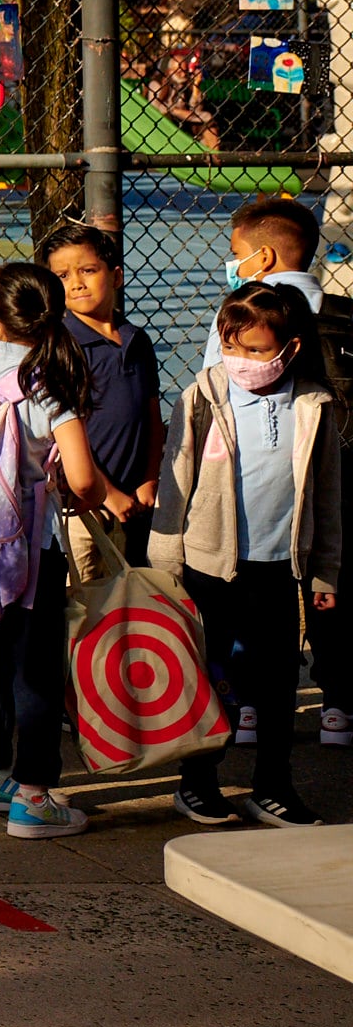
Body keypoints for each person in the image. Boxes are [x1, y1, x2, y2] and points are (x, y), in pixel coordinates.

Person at [0, 260, 123, 838]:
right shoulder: (48, 382)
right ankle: (33, 794)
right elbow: (80, 477)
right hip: (32, 542)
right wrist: (101, 497)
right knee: (35, 667)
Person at [166, 280, 339, 830]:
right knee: (209, 675)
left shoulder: (315, 405)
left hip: (279, 569)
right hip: (208, 566)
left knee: (278, 682)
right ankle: (196, 784)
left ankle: (273, 786)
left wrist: (325, 572)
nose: (242, 360)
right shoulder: (202, 396)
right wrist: (167, 565)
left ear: (288, 348)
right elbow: (175, 485)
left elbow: (329, 497)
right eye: (231, 344)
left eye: (256, 349)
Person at [226, 195, 347, 746]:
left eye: (237, 253)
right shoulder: (343, 314)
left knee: (257, 601)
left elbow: (217, 388)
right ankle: (338, 708)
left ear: (265, 258)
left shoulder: (243, 313)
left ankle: (250, 707)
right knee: (330, 591)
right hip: (336, 480)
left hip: (262, 488)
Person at [42, 221, 162, 560]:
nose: (77, 283)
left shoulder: (138, 340)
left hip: (138, 499)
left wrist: (149, 479)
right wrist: (106, 492)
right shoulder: (61, 347)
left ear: (116, 275)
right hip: (82, 506)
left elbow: (151, 416)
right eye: (63, 276)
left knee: (132, 597)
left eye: (88, 270)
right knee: (82, 600)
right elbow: (62, 433)